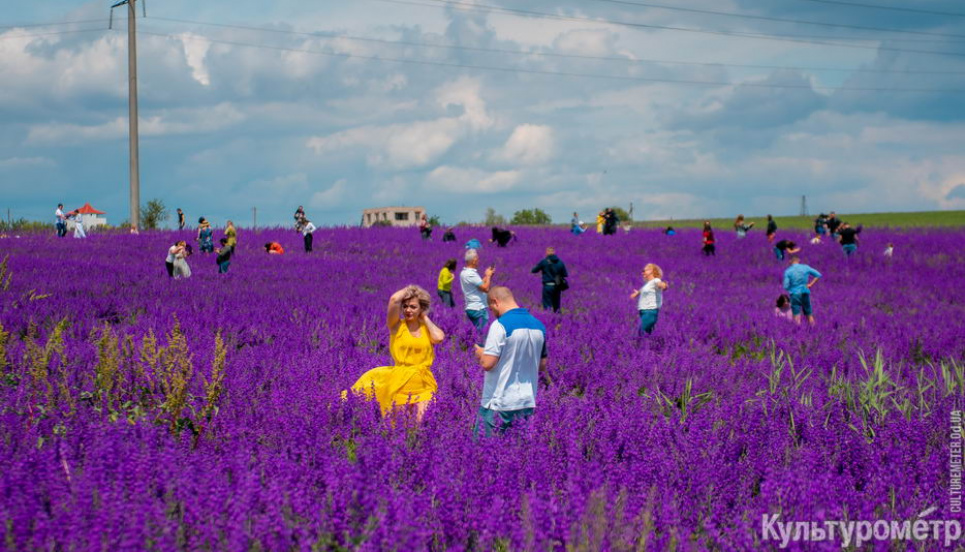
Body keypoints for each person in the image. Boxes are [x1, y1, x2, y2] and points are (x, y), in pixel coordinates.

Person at [348, 285, 444, 420]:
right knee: (401, 426)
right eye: (405, 306)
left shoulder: (426, 328)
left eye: (413, 307)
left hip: (424, 383)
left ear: (421, 309)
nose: (408, 310)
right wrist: (411, 290)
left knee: (421, 422)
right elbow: (394, 299)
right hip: (401, 383)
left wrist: (425, 318)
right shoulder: (396, 326)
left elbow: (439, 337)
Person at [472, 286, 546, 437]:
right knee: (519, 452)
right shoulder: (539, 325)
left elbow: (487, 364)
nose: (493, 315)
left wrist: (481, 353)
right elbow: (542, 366)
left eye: (492, 309)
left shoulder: (500, 325)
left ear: (495, 302)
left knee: (482, 452)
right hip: (527, 402)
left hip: (499, 402)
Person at [460, 249, 495, 335]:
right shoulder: (471, 274)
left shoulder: (464, 272)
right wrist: (488, 276)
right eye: (478, 259)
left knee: (477, 333)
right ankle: (481, 348)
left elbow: (479, 286)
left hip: (472, 307)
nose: (479, 261)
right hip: (478, 308)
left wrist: (488, 276)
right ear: (474, 260)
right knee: (483, 334)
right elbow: (485, 289)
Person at [630, 263, 668, 335]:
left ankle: (638, 345)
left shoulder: (656, 280)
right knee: (647, 334)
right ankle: (648, 345)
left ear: (652, 271)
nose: (642, 272)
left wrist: (664, 285)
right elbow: (642, 290)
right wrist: (637, 293)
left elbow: (660, 284)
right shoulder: (648, 284)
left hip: (650, 311)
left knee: (640, 333)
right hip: (643, 311)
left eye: (644, 270)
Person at [782, 256, 821, 325]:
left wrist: (791, 288)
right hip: (805, 292)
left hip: (794, 294)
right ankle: (814, 329)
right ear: (798, 260)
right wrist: (810, 284)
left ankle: (798, 331)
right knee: (809, 314)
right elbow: (818, 275)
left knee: (796, 315)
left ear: (790, 262)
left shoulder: (788, 271)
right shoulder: (805, 267)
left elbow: (785, 286)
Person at [531, 247, 568, 313]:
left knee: (547, 305)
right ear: (554, 252)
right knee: (556, 306)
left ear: (547, 252)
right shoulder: (560, 262)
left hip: (548, 286)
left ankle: (548, 319)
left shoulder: (544, 262)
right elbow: (565, 274)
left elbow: (534, 270)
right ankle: (558, 320)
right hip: (557, 286)